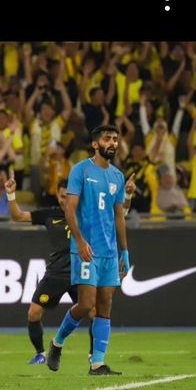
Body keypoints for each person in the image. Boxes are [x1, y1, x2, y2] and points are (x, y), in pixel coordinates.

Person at [6, 173, 136, 365]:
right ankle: (41, 353)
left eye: (67, 195)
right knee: (33, 313)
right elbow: (17, 216)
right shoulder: (50, 214)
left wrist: (128, 195)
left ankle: (93, 355)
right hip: (56, 273)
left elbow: (120, 213)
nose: (63, 199)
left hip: (82, 268)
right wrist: (11, 195)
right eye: (61, 196)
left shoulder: (88, 213)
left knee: (92, 311)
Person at [47, 125, 130, 375]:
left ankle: (98, 363)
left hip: (109, 252)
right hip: (85, 250)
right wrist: (80, 242)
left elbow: (119, 216)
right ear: (95, 144)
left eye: (115, 139)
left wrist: (124, 252)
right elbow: (70, 209)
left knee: (105, 305)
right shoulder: (80, 171)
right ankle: (57, 342)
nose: (112, 143)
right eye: (107, 139)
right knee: (85, 305)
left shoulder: (117, 176)